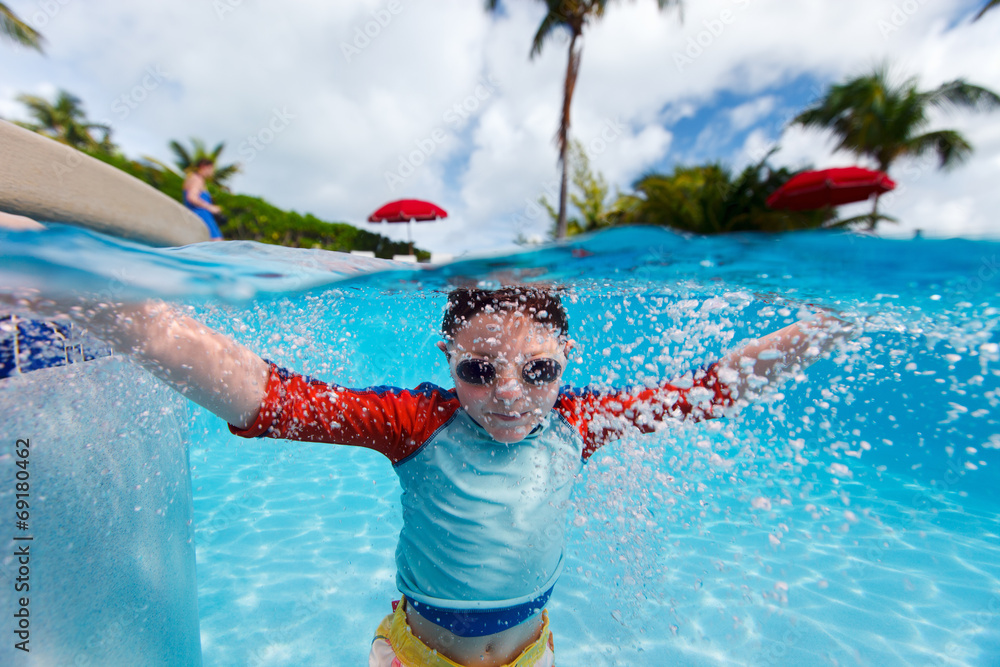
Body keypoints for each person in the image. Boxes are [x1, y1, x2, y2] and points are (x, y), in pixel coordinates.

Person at [29, 286, 851, 666]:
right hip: (418, 654)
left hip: (531, 655)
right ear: (446, 361)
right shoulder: (417, 422)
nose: (508, 397)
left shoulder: (579, 423)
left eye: (537, 371)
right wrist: (77, 293)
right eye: (479, 369)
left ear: (566, 361)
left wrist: (820, 330)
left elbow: (705, 395)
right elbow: (269, 396)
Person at [182, 159, 224, 240]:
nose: (212, 172)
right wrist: (211, 207)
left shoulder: (193, 178)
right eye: (211, 169)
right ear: (204, 167)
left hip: (197, 215)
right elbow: (192, 197)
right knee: (217, 242)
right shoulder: (197, 179)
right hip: (201, 215)